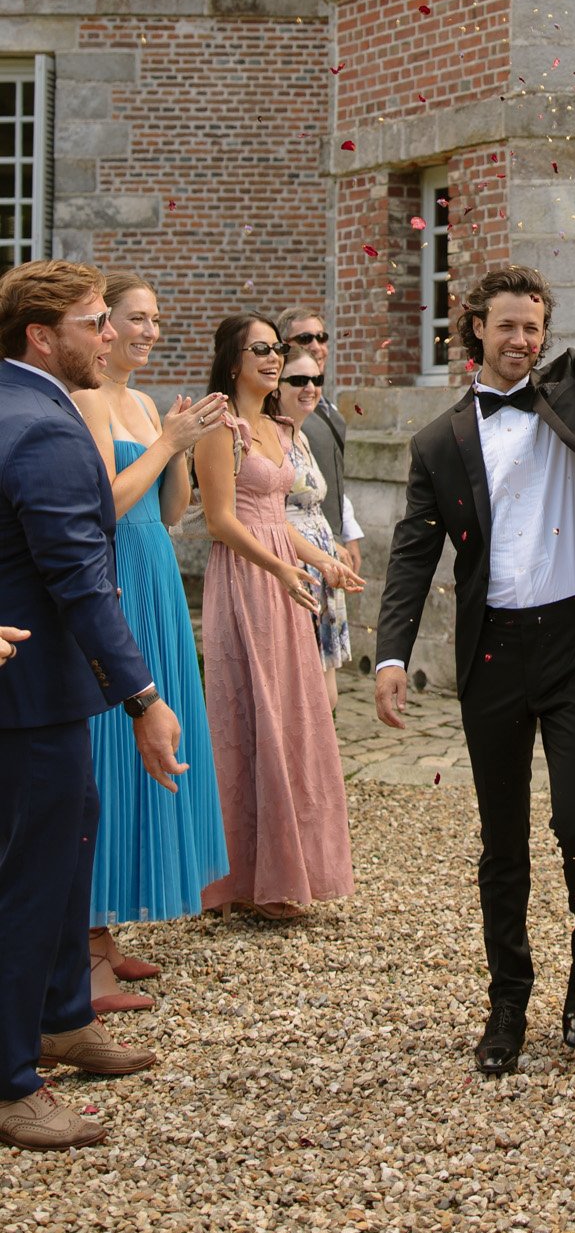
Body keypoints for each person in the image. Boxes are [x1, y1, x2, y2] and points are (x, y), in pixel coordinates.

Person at [375, 197, 575, 1077]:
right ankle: (506, 1001)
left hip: (572, 645)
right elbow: (411, 553)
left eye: (533, 327)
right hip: (490, 658)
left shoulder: (569, 392)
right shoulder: (438, 441)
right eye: (506, 325)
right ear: (475, 328)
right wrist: (393, 653)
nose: (520, 339)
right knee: (501, 841)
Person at [0, 262, 182, 1151]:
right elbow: (78, 576)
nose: (110, 336)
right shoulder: (41, 425)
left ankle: (66, 1018)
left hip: (48, 691)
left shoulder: (15, 404)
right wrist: (144, 695)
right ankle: (10, 1081)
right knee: (30, 883)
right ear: (44, 337)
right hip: (25, 697)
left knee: (70, 857)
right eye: (95, 322)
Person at [69, 268, 230, 1015]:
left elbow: (168, 511)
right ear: (104, 329)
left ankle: (105, 938)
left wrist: (185, 447)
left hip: (156, 571)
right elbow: (104, 504)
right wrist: (165, 440)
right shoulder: (87, 399)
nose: (148, 331)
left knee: (152, 752)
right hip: (116, 577)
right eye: (135, 318)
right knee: (107, 747)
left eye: (156, 320)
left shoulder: (138, 400)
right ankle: (83, 951)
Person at [195, 315, 359, 921]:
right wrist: (282, 568)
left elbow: (277, 516)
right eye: (259, 349)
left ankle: (290, 870)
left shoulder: (276, 426)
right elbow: (221, 521)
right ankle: (244, 878)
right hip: (244, 580)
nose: (272, 358)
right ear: (233, 360)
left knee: (294, 714)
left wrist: (324, 559)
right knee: (250, 712)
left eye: (277, 348)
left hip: (286, 577)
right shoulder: (221, 427)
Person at [278, 347, 358, 712]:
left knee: (328, 697)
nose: (310, 387)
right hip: (293, 566)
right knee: (304, 697)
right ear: (276, 386)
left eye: (317, 380)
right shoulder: (268, 439)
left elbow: (315, 504)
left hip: (323, 567)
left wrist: (336, 548)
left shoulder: (303, 436)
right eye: (298, 380)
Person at [275, 307, 363, 577]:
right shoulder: (277, 415)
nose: (315, 346)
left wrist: (348, 532)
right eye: (304, 339)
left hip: (331, 541)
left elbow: (334, 480)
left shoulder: (332, 413)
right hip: (294, 548)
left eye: (321, 337)